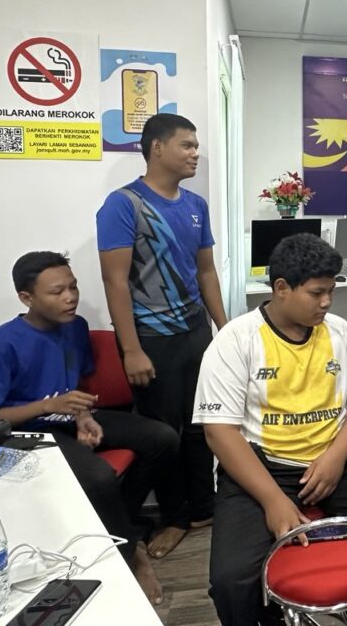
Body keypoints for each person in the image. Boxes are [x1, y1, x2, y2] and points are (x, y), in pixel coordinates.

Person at [193, 233, 347, 626]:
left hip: (340, 457)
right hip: (264, 465)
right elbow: (219, 433)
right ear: (281, 288)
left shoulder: (341, 333)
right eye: (316, 293)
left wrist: (336, 457)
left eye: (331, 291)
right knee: (232, 579)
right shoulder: (235, 341)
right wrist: (273, 501)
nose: (327, 302)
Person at [0, 251, 179, 604]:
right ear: (26, 298)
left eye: (73, 287)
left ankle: (119, 528)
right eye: (57, 291)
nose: (70, 297)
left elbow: (73, 385)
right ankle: (130, 552)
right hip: (28, 433)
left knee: (163, 439)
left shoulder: (74, 327)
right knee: (99, 478)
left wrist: (83, 416)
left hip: (68, 418)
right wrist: (47, 406)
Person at [96, 113, 229, 558]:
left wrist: (224, 329)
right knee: (165, 431)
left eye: (196, 146)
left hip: (195, 331)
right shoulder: (123, 204)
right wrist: (131, 349)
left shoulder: (196, 205)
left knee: (201, 424)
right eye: (186, 145)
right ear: (157, 148)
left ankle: (203, 508)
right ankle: (174, 517)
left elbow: (206, 271)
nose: (195, 154)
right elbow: (115, 282)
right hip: (151, 338)